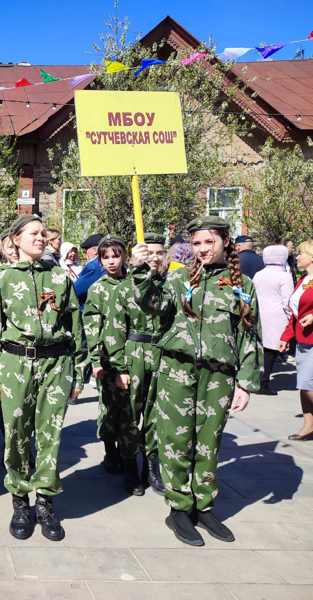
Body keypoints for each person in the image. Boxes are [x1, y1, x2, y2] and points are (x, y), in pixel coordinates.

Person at [130, 216, 261, 547]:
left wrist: (245, 382)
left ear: (225, 242)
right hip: (178, 369)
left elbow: (249, 333)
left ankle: (203, 506)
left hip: (218, 376)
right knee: (174, 439)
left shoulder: (241, 283)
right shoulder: (179, 280)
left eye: (209, 241)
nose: (203, 249)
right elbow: (154, 306)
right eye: (197, 243)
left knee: (208, 441)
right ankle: (178, 508)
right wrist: (141, 271)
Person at [0, 213, 85, 541]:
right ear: (16, 240)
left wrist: (79, 373)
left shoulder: (60, 277)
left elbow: (74, 328)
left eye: (43, 234)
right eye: (33, 234)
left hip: (56, 366)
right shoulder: (0, 278)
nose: (40, 238)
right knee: (16, 435)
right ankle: (20, 501)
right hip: (15, 364)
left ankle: (45, 502)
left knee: (49, 436)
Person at [83, 235, 143, 494]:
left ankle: (130, 461)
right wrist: (96, 361)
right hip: (108, 360)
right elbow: (91, 328)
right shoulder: (98, 288)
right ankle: (111, 452)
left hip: (136, 357)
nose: (111, 262)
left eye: (115, 256)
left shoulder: (134, 283)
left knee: (131, 412)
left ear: (124, 257)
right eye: (105, 257)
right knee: (110, 409)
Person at [111, 233, 167, 495]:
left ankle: (152, 466)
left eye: (158, 253)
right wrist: (120, 367)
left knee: (157, 415)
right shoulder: (124, 288)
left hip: (163, 354)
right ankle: (130, 465)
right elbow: (114, 331)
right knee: (130, 415)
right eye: (148, 253)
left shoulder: (170, 287)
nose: (153, 258)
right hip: (134, 353)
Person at [278, 240, 313, 441]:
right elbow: (294, 313)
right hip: (302, 340)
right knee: (304, 384)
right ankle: (308, 426)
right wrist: (285, 337)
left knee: (308, 384)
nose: (297, 257)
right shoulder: (302, 280)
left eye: (301, 253)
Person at [253, 245, 294, 395]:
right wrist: (292, 319)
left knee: (261, 350)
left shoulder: (259, 274)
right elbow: (287, 301)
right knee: (271, 351)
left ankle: (256, 380)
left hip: (259, 315)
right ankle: (263, 384)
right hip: (277, 317)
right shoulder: (284, 276)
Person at [73, 233, 104, 308]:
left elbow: (75, 291)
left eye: (86, 250)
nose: (86, 254)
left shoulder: (94, 266)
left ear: (94, 250)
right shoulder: (116, 262)